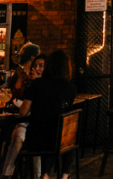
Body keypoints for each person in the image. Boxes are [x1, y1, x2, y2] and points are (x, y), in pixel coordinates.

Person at [20, 50, 79, 179]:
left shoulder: (37, 84)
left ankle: (45, 174)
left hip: (36, 139)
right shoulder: (71, 88)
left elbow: (23, 111)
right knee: (62, 135)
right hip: (60, 140)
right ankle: (64, 175)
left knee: (47, 132)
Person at [0, 54, 46, 179]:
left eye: (41, 66)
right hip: (27, 124)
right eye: (35, 65)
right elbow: (16, 97)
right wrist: (23, 80)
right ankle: (7, 173)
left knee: (28, 135)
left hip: (41, 127)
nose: (37, 68)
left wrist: (36, 83)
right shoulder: (29, 82)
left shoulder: (47, 85)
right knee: (18, 134)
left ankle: (37, 176)